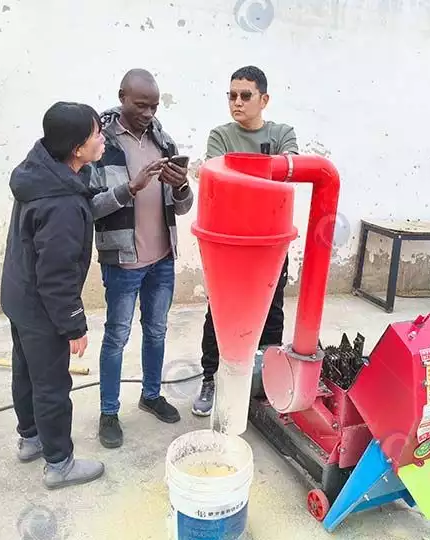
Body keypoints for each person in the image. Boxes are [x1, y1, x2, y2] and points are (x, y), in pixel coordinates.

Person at [0, 101, 107, 490]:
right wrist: (73, 323)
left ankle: (30, 438)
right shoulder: (60, 203)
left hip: (19, 296)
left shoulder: (40, 170)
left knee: (26, 371)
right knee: (52, 385)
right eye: (97, 133)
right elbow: (57, 274)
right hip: (43, 306)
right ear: (77, 148)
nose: (103, 138)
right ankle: (59, 462)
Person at [89, 68, 194, 449]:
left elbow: (183, 207)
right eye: (140, 105)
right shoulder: (100, 143)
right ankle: (109, 411)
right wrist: (130, 188)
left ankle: (150, 396)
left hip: (162, 258)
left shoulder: (163, 140)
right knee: (116, 336)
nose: (149, 112)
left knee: (157, 330)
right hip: (122, 261)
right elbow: (89, 207)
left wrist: (181, 185)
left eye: (154, 105)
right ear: (121, 96)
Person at [192, 65, 299, 417]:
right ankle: (211, 378)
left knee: (272, 309)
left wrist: (250, 176)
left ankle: (266, 380)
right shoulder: (220, 136)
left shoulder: (283, 133)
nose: (236, 102)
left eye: (245, 95)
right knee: (220, 312)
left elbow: (291, 172)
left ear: (264, 99)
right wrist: (264, 172)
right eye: (232, 95)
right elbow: (219, 179)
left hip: (270, 240)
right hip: (229, 243)